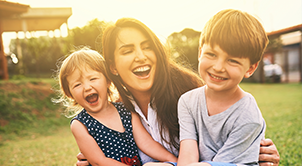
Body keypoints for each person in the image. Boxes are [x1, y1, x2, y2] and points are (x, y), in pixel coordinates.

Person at [75, 17, 280, 166]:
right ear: (112, 67)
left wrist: (262, 152)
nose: (140, 56)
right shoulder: (117, 113)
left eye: (147, 47)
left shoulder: (189, 91)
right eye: (127, 50)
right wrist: (92, 157)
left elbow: (234, 133)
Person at [56, 48, 177, 166]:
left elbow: (146, 143)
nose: (87, 87)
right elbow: (98, 161)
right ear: (69, 93)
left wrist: (173, 160)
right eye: (77, 85)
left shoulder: (126, 111)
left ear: (108, 81)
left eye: (93, 79)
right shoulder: (80, 125)